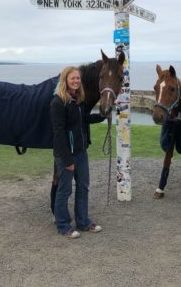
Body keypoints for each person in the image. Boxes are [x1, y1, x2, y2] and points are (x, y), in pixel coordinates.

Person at [50, 66, 106, 239]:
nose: (76, 81)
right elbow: (58, 134)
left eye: (78, 79)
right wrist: (67, 160)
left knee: (83, 187)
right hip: (66, 155)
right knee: (64, 190)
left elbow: (83, 120)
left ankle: (83, 222)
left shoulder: (79, 100)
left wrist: (102, 115)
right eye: (72, 78)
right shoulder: (58, 102)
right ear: (65, 80)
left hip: (81, 152)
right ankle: (63, 225)